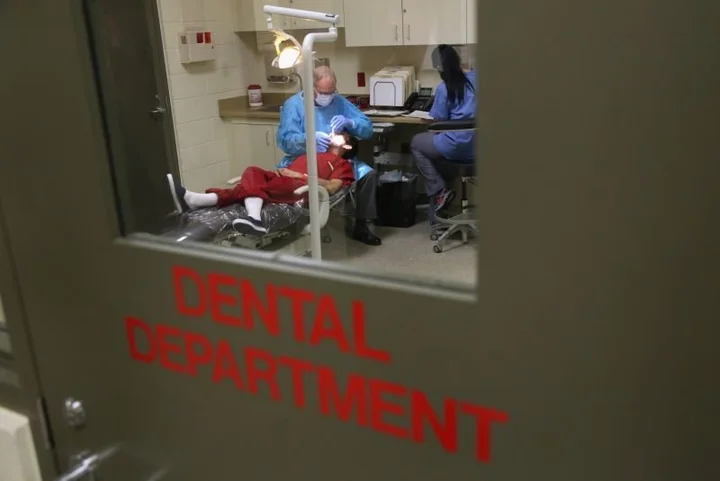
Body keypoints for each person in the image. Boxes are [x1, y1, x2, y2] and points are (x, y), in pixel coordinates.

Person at [166, 132, 358, 236]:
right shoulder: (314, 154)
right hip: (282, 180)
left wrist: (299, 174)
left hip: (299, 189)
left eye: (339, 134)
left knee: (251, 177)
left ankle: (202, 201)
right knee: (253, 174)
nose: (332, 133)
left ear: (346, 146)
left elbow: (331, 187)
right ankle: (198, 201)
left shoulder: (343, 165)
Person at [276, 65, 381, 246]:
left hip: (336, 162)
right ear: (311, 87)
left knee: (368, 175)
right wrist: (308, 140)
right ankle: (294, 224)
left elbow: (367, 128)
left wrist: (351, 123)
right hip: (304, 159)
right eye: (324, 93)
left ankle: (361, 226)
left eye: (332, 92)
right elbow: (285, 141)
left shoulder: (339, 102)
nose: (329, 97)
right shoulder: (294, 106)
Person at [411, 44, 477, 215]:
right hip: (477, 147)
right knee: (438, 155)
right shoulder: (476, 79)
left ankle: (439, 191)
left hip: (454, 147)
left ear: (439, 67)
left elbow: (438, 121)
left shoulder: (444, 88)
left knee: (417, 143)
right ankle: (441, 203)